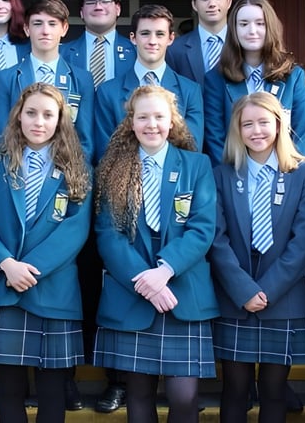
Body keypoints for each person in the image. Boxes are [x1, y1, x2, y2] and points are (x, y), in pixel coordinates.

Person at [93, 85, 219, 423]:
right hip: (132, 297)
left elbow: (202, 228)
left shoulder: (197, 165)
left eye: (159, 116)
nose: (152, 124)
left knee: (184, 399)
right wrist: (145, 282)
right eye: (143, 116)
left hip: (183, 296)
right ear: (130, 123)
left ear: (173, 121)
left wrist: (164, 271)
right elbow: (108, 235)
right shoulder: (113, 168)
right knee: (138, 398)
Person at [0, 82, 92, 423]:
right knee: (9, 391)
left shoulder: (78, 166)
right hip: (3, 286)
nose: (39, 121)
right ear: (18, 117)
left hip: (53, 290)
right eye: (31, 113)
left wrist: (30, 269)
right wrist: (7, 265)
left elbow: (75, 229)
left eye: (48, 115)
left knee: (52, 391)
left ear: (61, 121)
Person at [208, 92, 305, 422]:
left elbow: (302, 244)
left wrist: (266, 291)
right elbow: (217, 239)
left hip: (282, 299)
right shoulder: (222, 174)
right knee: (235, 390)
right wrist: (244, 290)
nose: (256, 130)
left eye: (264, 122)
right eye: (247, 124)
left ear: (279, 124)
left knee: (274, 391)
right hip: (234, 298)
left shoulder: (303, 174)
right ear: (237, 130)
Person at [203, 0, 305, 166]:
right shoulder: (216, 79)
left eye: (260, 23)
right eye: (244, 24)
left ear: (270, 27)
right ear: (234, 30)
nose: (252, 31)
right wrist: (232, 177)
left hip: (283, 175)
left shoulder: (293, 76)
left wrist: (291, 172)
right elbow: (215, 137)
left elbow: (302, 130)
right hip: (235, 177)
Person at [94, 3, 204, 162]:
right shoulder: (108, 92)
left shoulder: (190, 91)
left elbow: (192, 148)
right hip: (123, 182)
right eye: (145, 33)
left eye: (160, 34)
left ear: (171, 38)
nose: (152, 41)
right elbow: (106, 152)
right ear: (133, 38)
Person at [0, 0, 95, 159]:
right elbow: (0, 135)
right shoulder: (7, 78)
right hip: (17, 168)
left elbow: (85, 141)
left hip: (67, 170)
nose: (45, 31)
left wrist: (75, 174)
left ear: (64, 28)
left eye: (52, 24)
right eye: (37, 23)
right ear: (27, 29)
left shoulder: (82, 79)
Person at [60, 0, 136, 88]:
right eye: (91, 2)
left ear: (118, 9)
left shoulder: (136, 52)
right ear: (81, 12)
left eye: (105, 1)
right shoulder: (62, 53)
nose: (98, 7)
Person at [166, 0, 232, 86]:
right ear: (194, 5)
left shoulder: (243, 45)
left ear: (229, 2)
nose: (212, 4)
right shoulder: (174, 50)